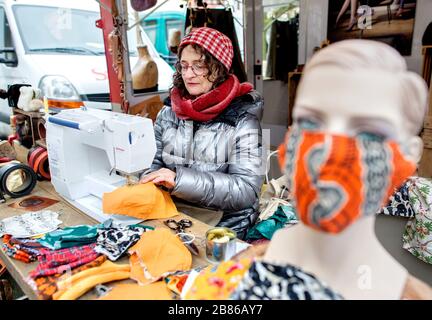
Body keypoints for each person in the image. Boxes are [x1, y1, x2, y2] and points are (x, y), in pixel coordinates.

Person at [234, 39, 432, 299]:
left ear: (408, 154)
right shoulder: (248, 265)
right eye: (311, 121)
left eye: (368, 131)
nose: (328, 148)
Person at [140, 27, 264, 239]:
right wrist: (146, 178)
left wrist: (178, 179)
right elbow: (154, 163)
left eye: (199, 66)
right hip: (176, 213)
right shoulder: (169, 112)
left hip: (224, 223)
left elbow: (246, 190)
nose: (188, 74)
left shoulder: (244, 119)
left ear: (220, 68)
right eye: (184, 65)